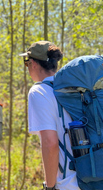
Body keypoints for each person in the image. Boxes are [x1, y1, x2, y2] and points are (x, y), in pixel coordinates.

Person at [20, 41, 79, 190]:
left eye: (26, 63)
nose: (27, 67)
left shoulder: (39, 92)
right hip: (90, 178)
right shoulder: (72, 87)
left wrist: (50, 186)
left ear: (33, 63)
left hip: (67, 184)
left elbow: (50, 144)